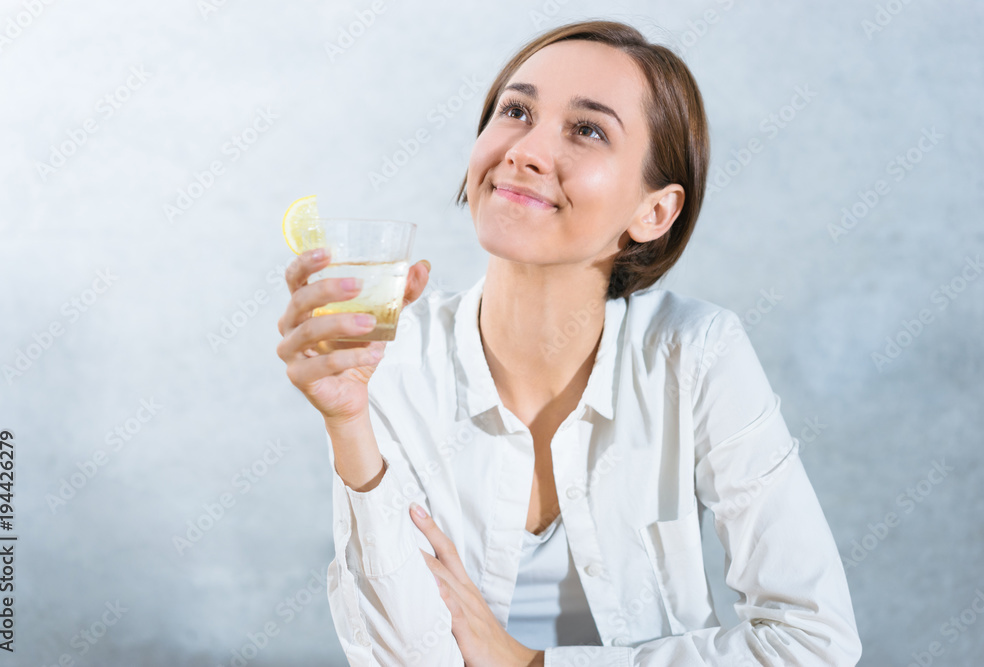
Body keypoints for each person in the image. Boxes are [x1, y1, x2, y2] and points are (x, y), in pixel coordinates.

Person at [276, 19, 862, 667]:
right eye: (516, 112)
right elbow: (404, 656)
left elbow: (813, 643)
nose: (525, 151)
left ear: (654, 212)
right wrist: (348, 421)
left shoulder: (696, 355)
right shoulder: (390, 352)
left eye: (588, 130)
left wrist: (529, 663)